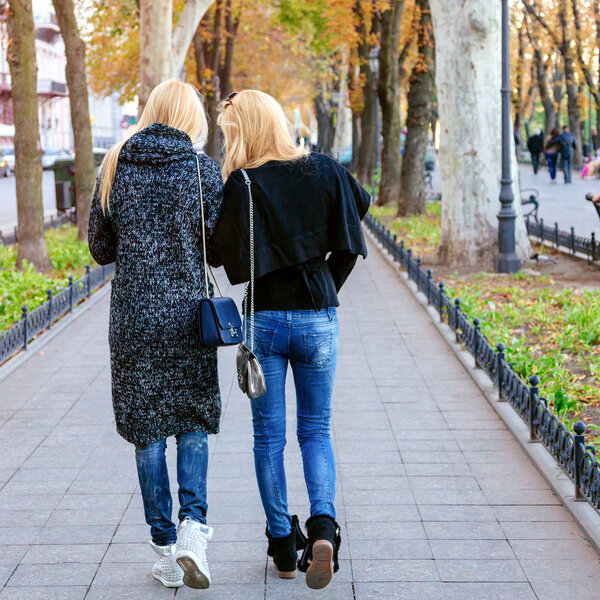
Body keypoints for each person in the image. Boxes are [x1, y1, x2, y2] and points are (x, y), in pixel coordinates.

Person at [214, 90, 370, 590]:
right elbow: (352, 231)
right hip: (317, 317)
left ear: (243, 131)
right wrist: (325, 287)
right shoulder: (323, 169)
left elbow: (218, 255)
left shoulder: (242, 183)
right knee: (317, 430)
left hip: (265, 321)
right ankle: (323, 526)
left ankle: (284, 546)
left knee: (268, 439)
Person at [88, 80, 223, 591]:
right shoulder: (199, 169)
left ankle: (164, 549)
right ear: (190, 115)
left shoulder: (114, 165)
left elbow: (101, 249)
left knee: (147, 433)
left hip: (133, 321)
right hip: (188, 318)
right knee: (191, 422)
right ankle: (194, 529)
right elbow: (215, 250)